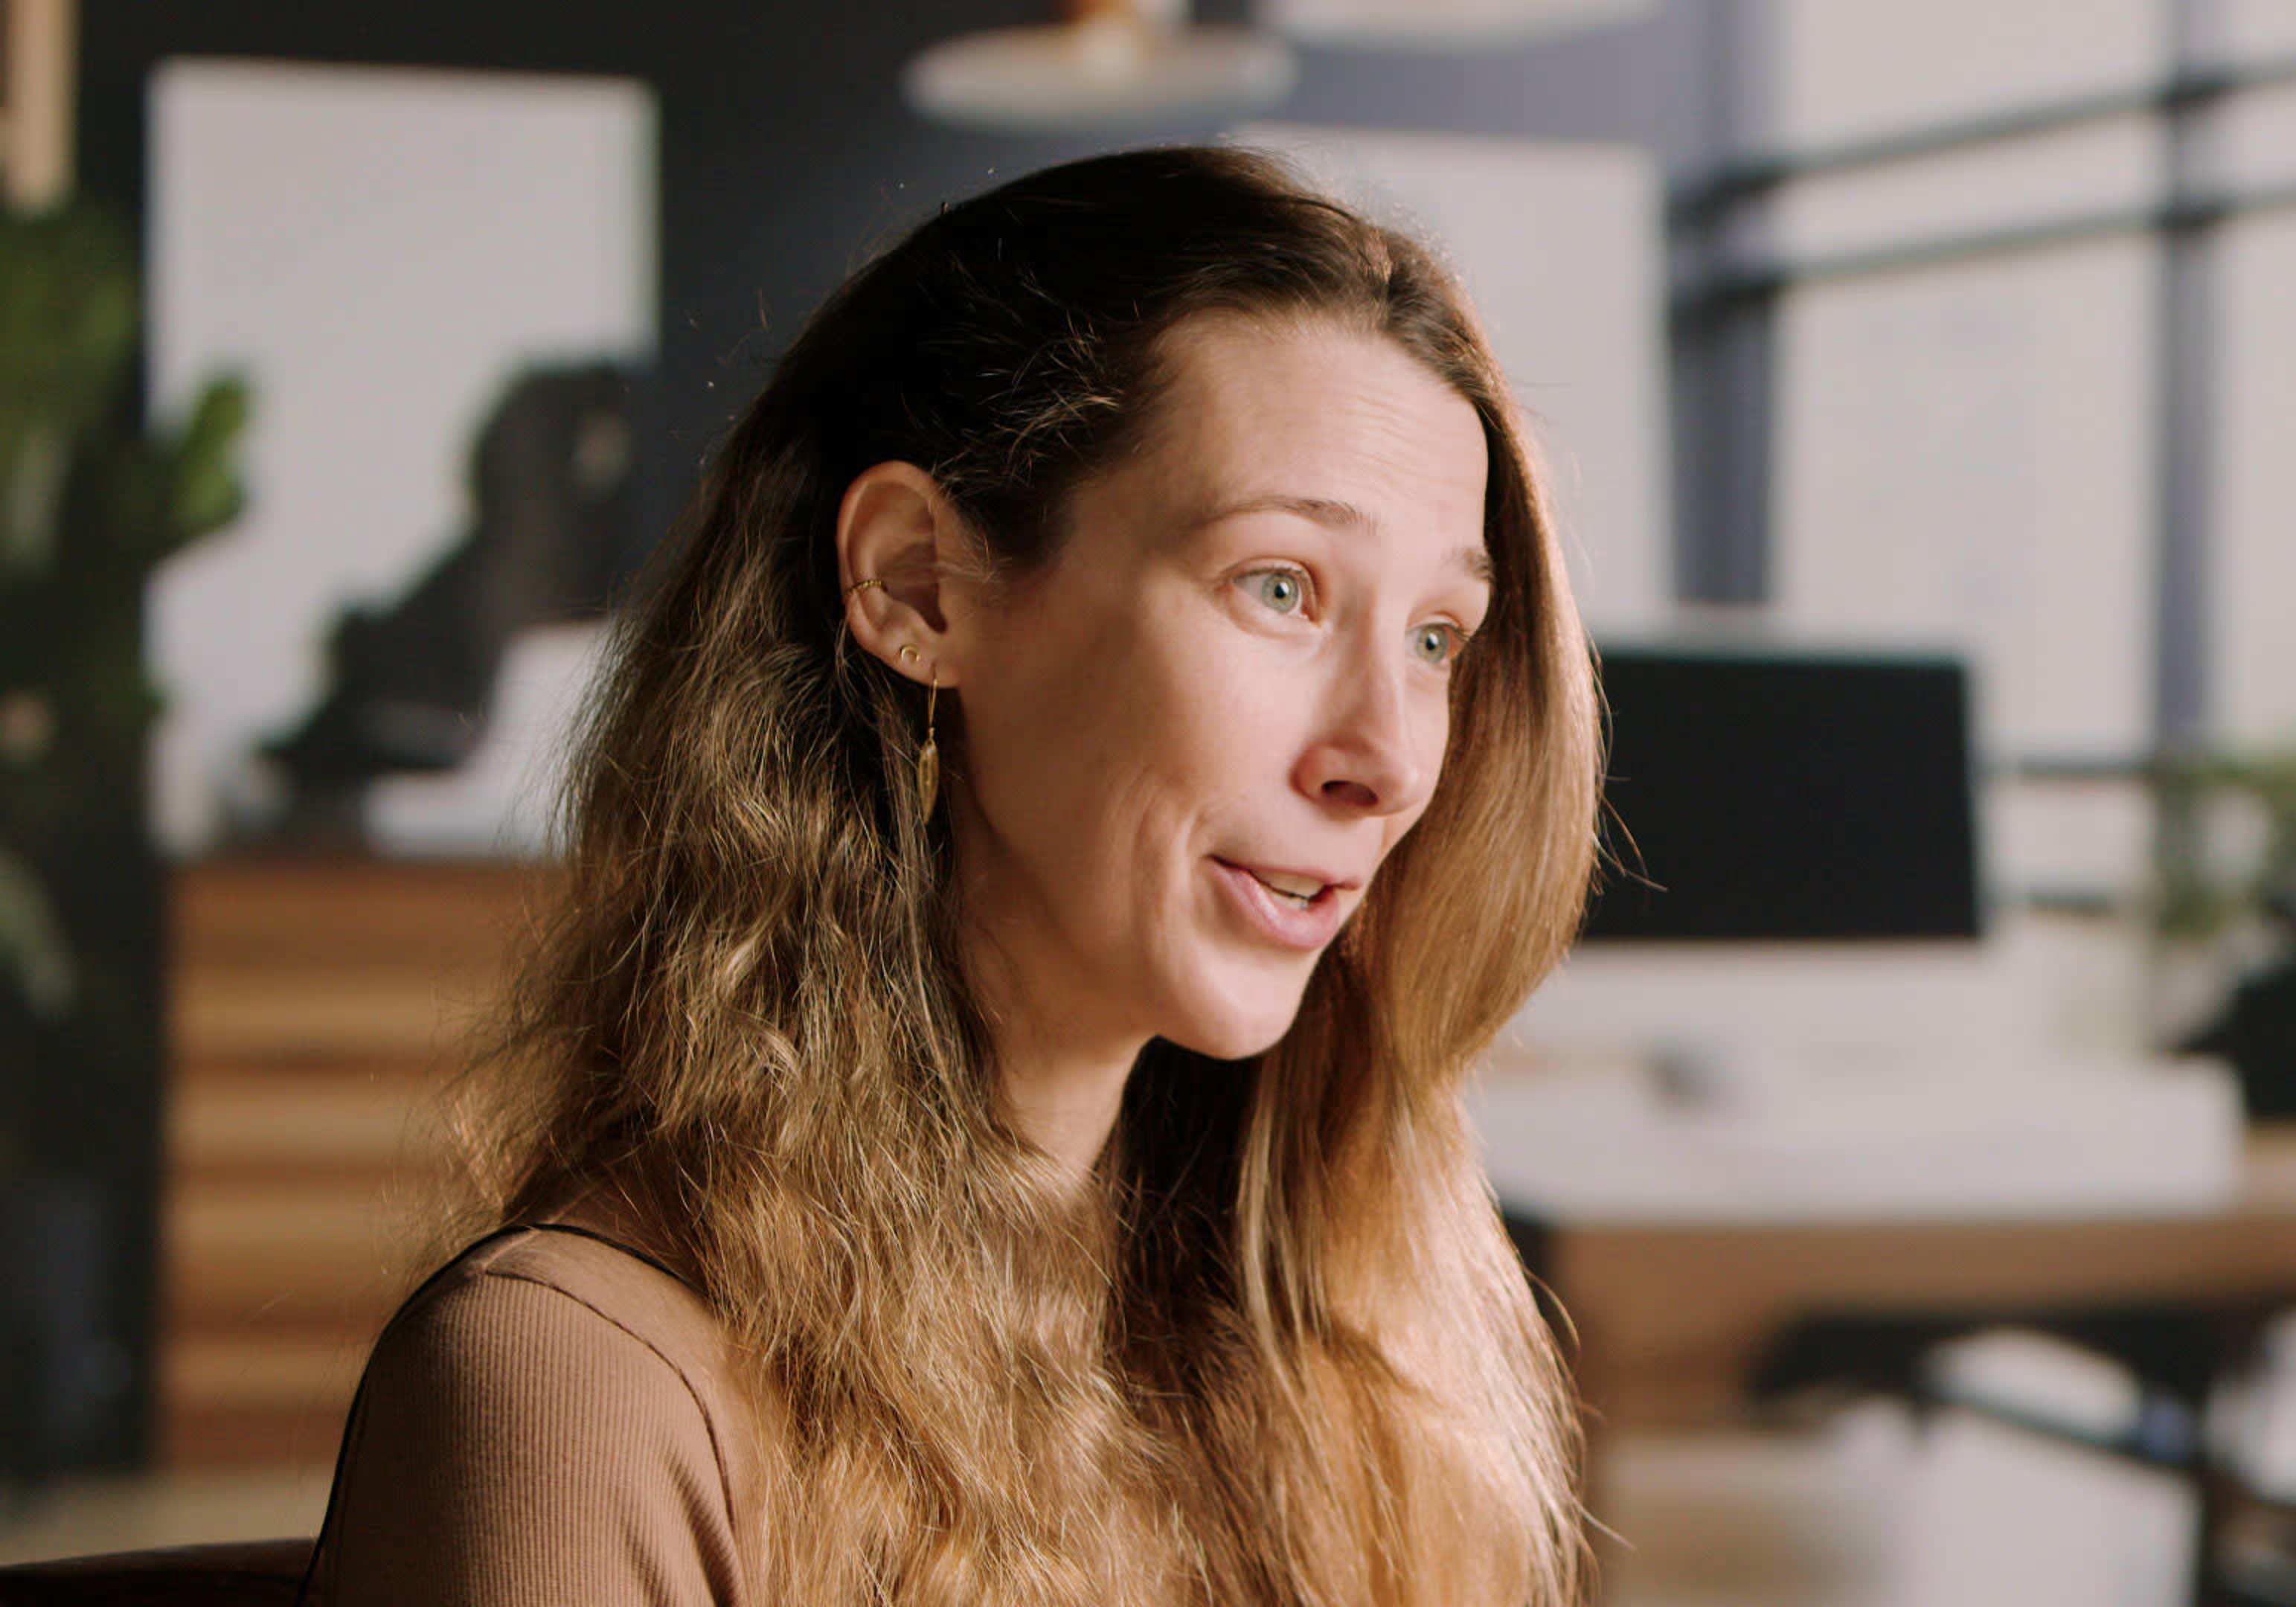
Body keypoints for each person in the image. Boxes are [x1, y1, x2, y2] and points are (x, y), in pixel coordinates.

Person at [295, 145, 1604, 1607]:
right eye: (1281, 587)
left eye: (1437, 637)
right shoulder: (577, 1388)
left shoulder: (1361, 1363)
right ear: (921, 584)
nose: (1387, 760)